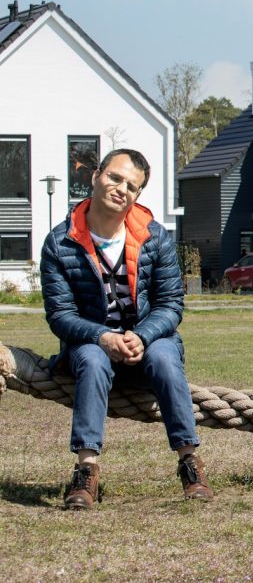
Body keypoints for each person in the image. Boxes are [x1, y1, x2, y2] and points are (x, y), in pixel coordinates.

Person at [40, 148, 213, 509]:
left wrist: (143, 335)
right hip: (90, 344)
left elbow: (170, 304)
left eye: (132, 186)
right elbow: (60, 315)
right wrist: (103, 337)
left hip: (148, 340)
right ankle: (86, 472)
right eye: (115, 177)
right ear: (96, 176)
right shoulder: (60, 242)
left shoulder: (154, 236)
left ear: (137, 195)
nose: (121, 189)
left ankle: (190, 463)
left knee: (166, 357)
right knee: (91, 359)